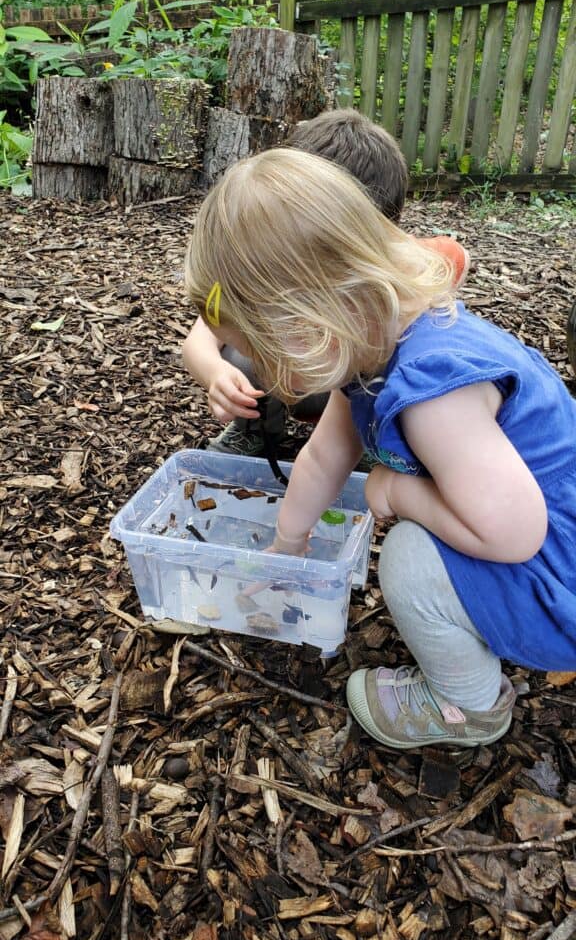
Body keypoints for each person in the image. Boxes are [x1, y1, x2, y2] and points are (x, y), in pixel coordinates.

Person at [184, 147, 576, 750]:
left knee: (409, 558)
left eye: (265, 353)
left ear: (310, 320)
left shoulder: (430, 394)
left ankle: (468, 706)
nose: (263, 371)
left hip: (557, 574)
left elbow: (514, 533)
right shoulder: (372, 344)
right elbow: (321, 457)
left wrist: (399, 491)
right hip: (537, 537)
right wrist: (286, 550)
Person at [182, 109, 469, 457]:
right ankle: (256, 431)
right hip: (301, 383)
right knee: (243, 346)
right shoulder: (264, 268)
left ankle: (372, 439)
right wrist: (217, 376)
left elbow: (454, 258)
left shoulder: (417, 264)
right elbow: (200, 339)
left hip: (364, 386)